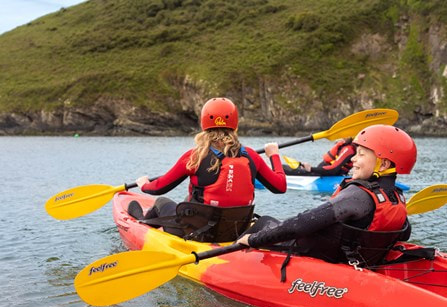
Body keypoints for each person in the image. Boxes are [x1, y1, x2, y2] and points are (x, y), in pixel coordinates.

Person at [238, 125, 417, 268]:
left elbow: (302, 224)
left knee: (264, 222)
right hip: (355, 257)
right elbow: (404, 234)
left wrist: (254, 239)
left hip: (322, 254)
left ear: (384, 164)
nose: (353, 159)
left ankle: (231, 260)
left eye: (361, 154)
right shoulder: (397, 197)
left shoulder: (357, 196)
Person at [129, 97, 287, 240]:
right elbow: (280, 187)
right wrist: (274, 155)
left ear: (204, 124)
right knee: (187, 200)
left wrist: (144, 185)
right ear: (235, 125)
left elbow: (159, 188)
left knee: (161, 201)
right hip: (235, 231)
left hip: (199, 233)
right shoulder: (252, 156)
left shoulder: (195, 156)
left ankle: (141, 223)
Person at [284, 137, 356, 176]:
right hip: (323, 171)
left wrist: (311, 169)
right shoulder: (345, 146)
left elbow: (334, 169)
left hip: (328, 173)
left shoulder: (348, 149)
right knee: (284, 168)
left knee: (283, 168)